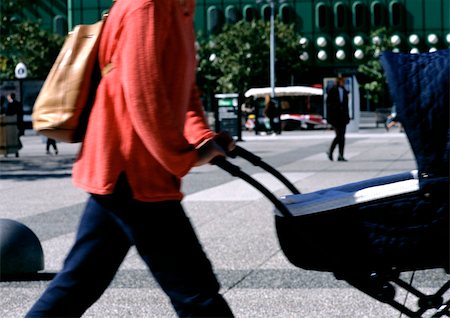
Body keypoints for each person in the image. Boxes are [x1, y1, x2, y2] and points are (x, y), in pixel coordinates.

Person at [26, 1, 235, 317]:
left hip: (126, 172)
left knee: (78, 284)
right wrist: (185, 157)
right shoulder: (147, 7)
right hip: (133, 171)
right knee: (197, 294)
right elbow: (144, 97)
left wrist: (202, 137)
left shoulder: (181, 9)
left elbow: (183, 88)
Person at [325, 76, 350, 161]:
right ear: (338, 81)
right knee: (339, 135)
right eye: (342, 81)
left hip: (343, 117)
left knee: (342, 136)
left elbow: (346, 106)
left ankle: (340, 155)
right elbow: (328, 104)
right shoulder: (332, 90)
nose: (343, 82)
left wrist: (347, 116)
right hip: (335, 118)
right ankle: (330, 151)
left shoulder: (345, 91)